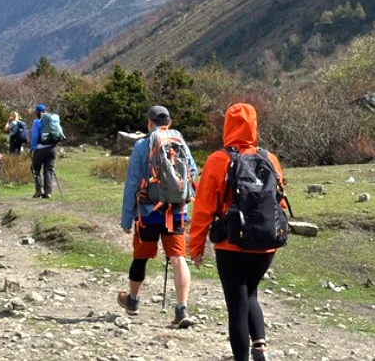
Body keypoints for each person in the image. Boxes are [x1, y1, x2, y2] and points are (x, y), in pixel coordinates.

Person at [189, 103, 287, 361]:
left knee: (237, 305)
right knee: (250, 291)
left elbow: (202, 210)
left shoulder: (218, 160)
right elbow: (280, 202)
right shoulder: (270, 159)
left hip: (231, 245)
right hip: (266, 244)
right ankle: (260, 346)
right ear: (254, 125)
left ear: (227, 127)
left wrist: (196, 248)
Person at [117, 105, 198, 329]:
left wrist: (126, 218)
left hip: (148, 213)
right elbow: (192, 173)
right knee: (178, 257)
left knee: (141, 257)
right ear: (168, 123)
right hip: (177, 212)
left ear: (149, 123)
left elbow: (133, 181)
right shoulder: (179, 141)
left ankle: (132, 301)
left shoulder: (142, 144)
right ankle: (182, 308)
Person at [29, 104, 58, 198]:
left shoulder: (37, 122)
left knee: (35, 168)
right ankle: (48, 192)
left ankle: (39, 191)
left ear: (37, 112)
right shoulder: (52, 120)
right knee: (49, 170)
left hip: (41, 149)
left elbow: (35, 137)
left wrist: (32, 148)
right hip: (53, 148)